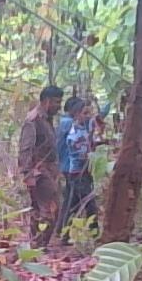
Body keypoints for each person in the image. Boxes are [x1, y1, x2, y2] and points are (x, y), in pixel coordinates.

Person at [18, 85, 64, 247]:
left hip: (49, 170)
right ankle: (38, 245)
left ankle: (36, 245)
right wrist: (28, 174)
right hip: (39, 171)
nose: (59, 106)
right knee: (49, 209)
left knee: (43, 208)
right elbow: (26, 148)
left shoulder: (46, 119)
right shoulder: (33, 120)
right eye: (57, 102)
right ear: (47, 101)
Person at [55, 96, 98, 243]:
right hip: (75, 169)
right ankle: (94, 233)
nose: (88, 116)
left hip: (73, 169)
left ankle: (63, 233)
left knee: (72, 201)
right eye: (84, 112)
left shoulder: (73, 125)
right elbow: (76, 149)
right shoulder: (69, 126)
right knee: (87, 201)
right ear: (76, 112)